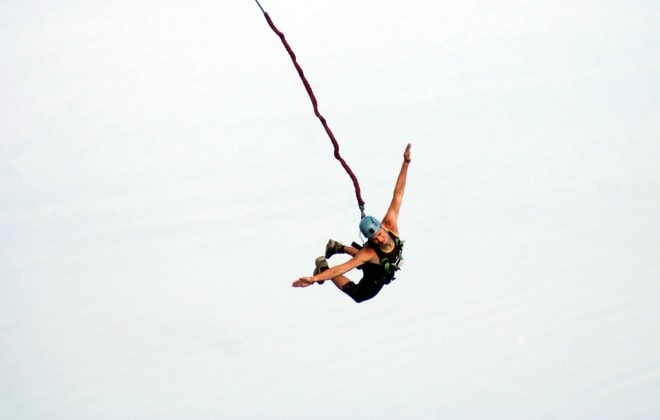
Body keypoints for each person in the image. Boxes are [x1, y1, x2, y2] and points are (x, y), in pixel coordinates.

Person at [292, 143, 412, 303]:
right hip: (375, 274)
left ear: (382, 226)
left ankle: (338, 247)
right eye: (375, 239)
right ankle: (323, 266)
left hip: (376, 261)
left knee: (366, 259)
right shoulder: (369, 252)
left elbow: (398, 193)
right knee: (359, 296)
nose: (380, 239)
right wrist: (314, 279)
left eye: (379, 234)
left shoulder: (390, 223)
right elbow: (343, 268)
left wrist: (405, 163)